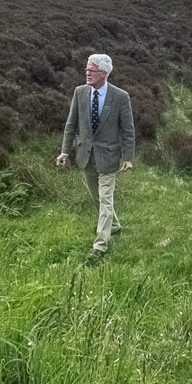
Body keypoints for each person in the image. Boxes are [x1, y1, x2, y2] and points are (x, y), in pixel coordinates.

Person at [56, 54, 135, 263]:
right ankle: (115, 226)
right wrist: (65, 151)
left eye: (92, 70)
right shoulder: (80, 93)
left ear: (104, 73)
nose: (87, 73)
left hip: (108, 157)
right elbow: (71, 124)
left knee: (106, 200)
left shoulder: (120, 97)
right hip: (85, 156)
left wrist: (127, 157)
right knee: (97, 199)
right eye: (86, 70)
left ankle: (99, 247)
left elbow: (128, 129)